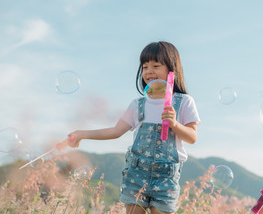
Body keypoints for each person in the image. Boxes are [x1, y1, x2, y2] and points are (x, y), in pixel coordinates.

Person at [67, 41, 200, 214]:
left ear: (171, 69)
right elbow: (115, 131)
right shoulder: (138, 104)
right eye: (144, 67)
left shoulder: (183, 102)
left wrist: (174, 124)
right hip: (136, 174)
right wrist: (81, 134)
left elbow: (192, 137)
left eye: (155, 65)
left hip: (166, 178)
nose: (149, 71)